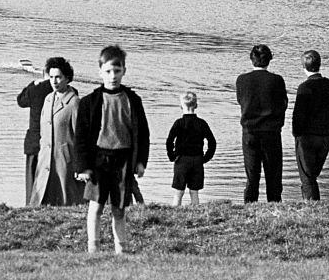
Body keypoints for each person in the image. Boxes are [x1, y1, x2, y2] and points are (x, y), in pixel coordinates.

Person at [74, 45, 150, 255]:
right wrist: (83, 166)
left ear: (124, 70)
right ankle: (93, 249)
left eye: (117, 71)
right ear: (100, 72)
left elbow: (143, 134)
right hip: (98, 160)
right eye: (108, 71)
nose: (113, 76)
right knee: (96, 207)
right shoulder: (89, 102)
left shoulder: (133, 100)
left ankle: (121, 250)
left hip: (123, 160)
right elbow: (80, 137)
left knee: (119, 209)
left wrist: (141, 161)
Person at [235, 44, 287, 203]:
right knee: (273, 176)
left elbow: (240, 101)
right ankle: (274, 204)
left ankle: (249, 206)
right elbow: (283, 103)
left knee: (252, 175)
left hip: (250, 131)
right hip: (271, 132)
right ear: (269, 60)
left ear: (252, 59)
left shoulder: (242, 79)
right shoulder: (277, 80)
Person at [30, 57, 84, 207]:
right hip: (45, 162)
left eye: (58, 77)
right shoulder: (48, 99)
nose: (54, 81)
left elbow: (81, 138)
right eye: (51, 77)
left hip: (64, 164)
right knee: (39, 204)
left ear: (67, 78)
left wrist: (80, 166)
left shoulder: (74, 103)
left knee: (65, 204)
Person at [291, 49, 329, 202]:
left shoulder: (304, 88)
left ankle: (311, 204)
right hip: (325, 137)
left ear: (303, 67)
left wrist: (296, 135)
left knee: (307, 176)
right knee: (313, 174)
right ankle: (313, 202)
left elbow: (298, 115)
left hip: (307, 137)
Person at [166, 91, 216, 207]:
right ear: (196, 106)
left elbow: (169, 141)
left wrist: (171, 156)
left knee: (178, 192)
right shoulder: (202, 123)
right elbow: (212, 142)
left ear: (181, 106)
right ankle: (195, 213)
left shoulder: (179, 123)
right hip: (197, 160)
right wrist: (205, 158)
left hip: (181, 160)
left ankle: (175, 213)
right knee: (194, 192)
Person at [17, 67, 54, 201]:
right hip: (54, 143)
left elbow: (21, 101)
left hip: (34, 142)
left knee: (32, 181)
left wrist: (33, 83)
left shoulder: (34, 90)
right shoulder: (70, 92)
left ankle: (31, 204)